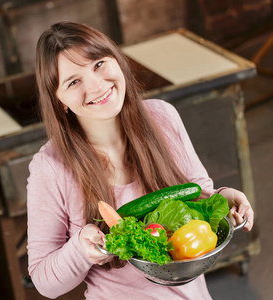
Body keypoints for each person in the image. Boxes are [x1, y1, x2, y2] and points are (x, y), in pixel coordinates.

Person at [26, 21, 254, 299]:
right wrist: (80, 250)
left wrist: (224, 198)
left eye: (98, 64)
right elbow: (43, 280)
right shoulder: (50, 167)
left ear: (116, 60)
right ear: (59, 99)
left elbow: (198, 193)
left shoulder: (162, 117)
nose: (97, 86)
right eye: (74, 81)